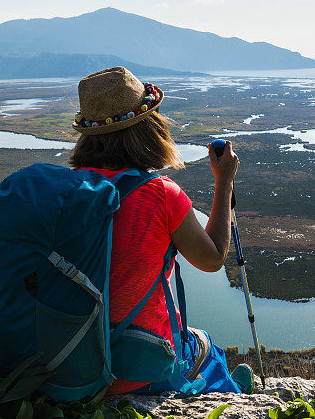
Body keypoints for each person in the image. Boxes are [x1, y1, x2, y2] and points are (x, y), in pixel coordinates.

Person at [68, 66, 253, 395]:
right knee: (206, 348)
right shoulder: (158, 194)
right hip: (133, 371)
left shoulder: (67, 191)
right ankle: (233, 394)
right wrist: (224, 180)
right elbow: (212, 258)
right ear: (146, 129)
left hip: (70, 359)